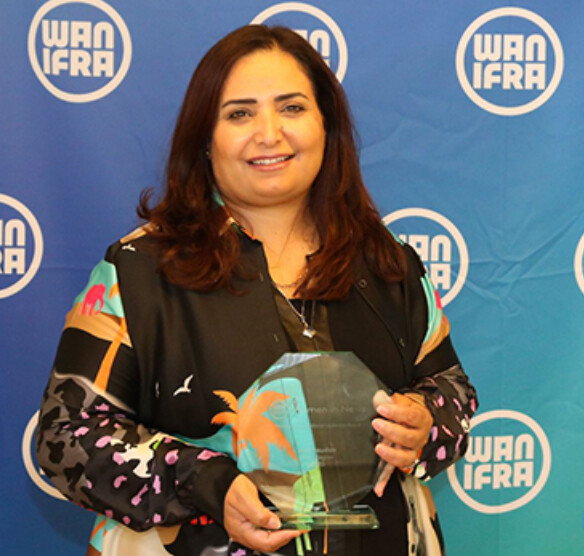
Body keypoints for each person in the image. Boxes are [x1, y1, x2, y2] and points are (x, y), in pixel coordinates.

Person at [37, 25, 477, 556]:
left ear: (326, 125)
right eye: (240, 114)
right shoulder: (139, 271)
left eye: (291, 108)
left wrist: (426, 424)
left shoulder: (389, 262)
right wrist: (204, 481)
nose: (269, 133)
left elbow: (451, 390)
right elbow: (66, 436)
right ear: (205, 139)